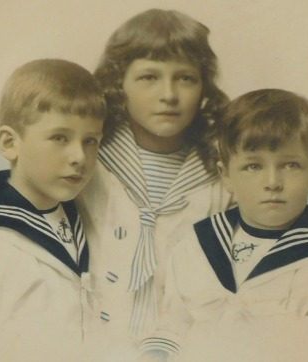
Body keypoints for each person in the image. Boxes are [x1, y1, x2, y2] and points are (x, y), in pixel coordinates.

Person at [140, 89, 308, 361]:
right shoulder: (197, 244)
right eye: (253, 166)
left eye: (290, 165)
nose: (272, 182)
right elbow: (171, 328)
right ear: (226, 176)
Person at [76, 8, 233, 356]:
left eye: (185, 78)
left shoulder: (221, 177)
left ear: (204, 86)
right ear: (119, 85)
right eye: (149, 77)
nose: (169, 95)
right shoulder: (89, 163)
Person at [0, 59, 106, 362]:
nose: (79, 157)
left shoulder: (75, 214)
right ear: (10, 143)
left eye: (91, 141)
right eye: (60, 138)